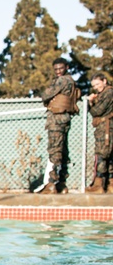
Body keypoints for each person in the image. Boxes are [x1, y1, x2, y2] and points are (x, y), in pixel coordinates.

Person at [39, 57, 80, 194]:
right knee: (62, 150)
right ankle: (62, 184)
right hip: (65, 118)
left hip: (57, 119)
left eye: (60, 68)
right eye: (56, 69)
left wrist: (47, 95)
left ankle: (51, 184)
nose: (58, 71)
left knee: (55, 150)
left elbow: (46, 95)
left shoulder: (62, 80)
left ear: (66, 67)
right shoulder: (72, 82)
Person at [86, 73, 113, 193]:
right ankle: (110, 184)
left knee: (101, 154)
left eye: (97, 84)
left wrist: (91, 102)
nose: (96, 87)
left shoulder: (108, 93)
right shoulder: (105, 93)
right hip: (107, 127)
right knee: (109, 155)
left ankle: (98, 184)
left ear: (104, 81)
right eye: (94, 85)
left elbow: (97, 111)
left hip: (106, 127)